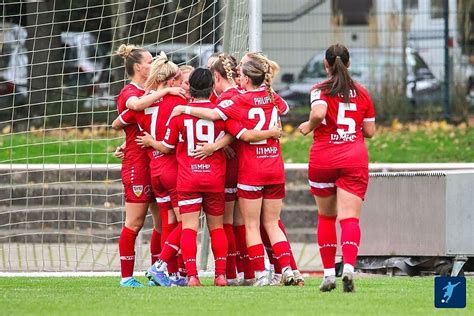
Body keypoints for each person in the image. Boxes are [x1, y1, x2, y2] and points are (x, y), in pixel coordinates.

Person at [138, 68, 282, 286]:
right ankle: (222, 276)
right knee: (217, 227)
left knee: (188, 227)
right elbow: (234, 133)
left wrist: (151, 142)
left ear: (191, 88)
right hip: (215, 178)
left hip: (188, 177)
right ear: (212, 87)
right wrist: (217, 146)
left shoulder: (180, 113)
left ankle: (193, 276)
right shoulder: (220, 111)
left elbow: (167, 147)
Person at [169, 54, 295, 287]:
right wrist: (269, 132)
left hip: (244, 171)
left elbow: (220, 119)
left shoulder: (234, 99)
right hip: (273, 167)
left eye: (240, 74)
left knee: (244, 225)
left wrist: (184, 110)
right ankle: (287, 269)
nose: (237, 77)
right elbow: (283, 109)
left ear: (245, 78)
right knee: (271, 223)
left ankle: (252, 274)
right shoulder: (270, 95)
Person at [298, 43, 376, 292]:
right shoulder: (362, 92)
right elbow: (370, 131)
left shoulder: (319, 89)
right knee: (349, 218)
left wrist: (308, 126)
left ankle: (329, 274)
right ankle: (350, 269)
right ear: (349, 63)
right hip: (353, 158)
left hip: (324, 158)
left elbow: (319, 113)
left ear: (326, 64)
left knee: (326, 217)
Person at [113, 51, 188, 287]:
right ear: (137, 67)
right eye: (149, 61)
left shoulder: (154, 96)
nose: (153, 63)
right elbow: (119, 121)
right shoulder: (132, 93)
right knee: (134, 222)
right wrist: (128, 143)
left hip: (157, 163)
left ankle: (159, 271)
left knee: (163, 223)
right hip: (139, 165)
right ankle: (126, 278)